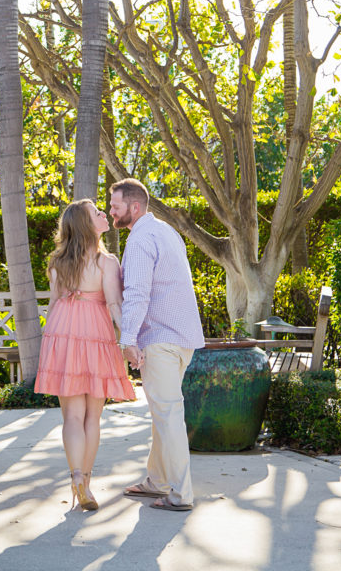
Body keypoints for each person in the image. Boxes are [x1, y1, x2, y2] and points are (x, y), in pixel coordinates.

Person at [110, 177, 204, 512]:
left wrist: (129, 340)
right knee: (162, 413)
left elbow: (137, 293)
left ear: (134, 207)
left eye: (115, 206)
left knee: (168, 415)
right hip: (183, 341)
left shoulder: (139, 240)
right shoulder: (167, 232)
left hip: (160, 341)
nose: (110, 212)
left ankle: (180, 495)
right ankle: (158, 481)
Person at [35, 198, 135, 511]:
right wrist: (128, 339)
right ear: (87, 225)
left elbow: (53, 303)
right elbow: (115, 305)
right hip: (94, 333)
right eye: (97, 213)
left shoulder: (57, 261)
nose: (104, 213)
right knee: (93, 415)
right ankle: (87, 483)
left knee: (72, 416)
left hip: (63, 331)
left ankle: (76, 475)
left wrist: (48, 344)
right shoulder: (107, 262)